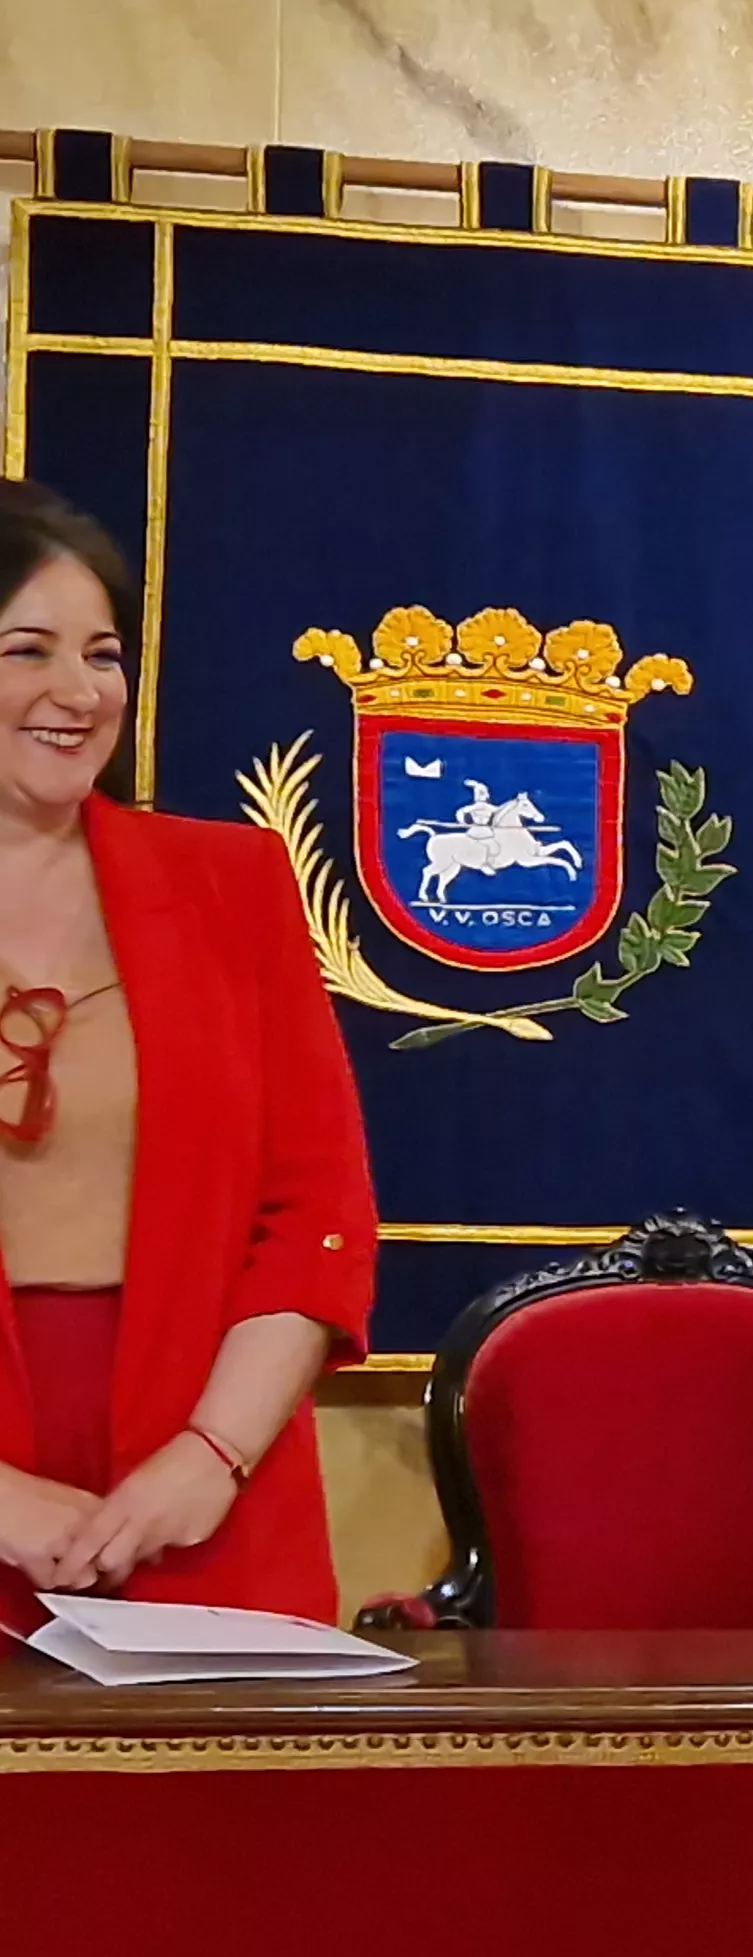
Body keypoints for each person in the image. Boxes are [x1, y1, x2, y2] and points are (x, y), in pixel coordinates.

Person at [0, 479, 376, 1619]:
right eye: (29, 650)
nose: (78, 693)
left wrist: (209, 1457)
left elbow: (315, 1207)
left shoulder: (232, 885)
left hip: (203, 1481)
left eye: (103, 654)